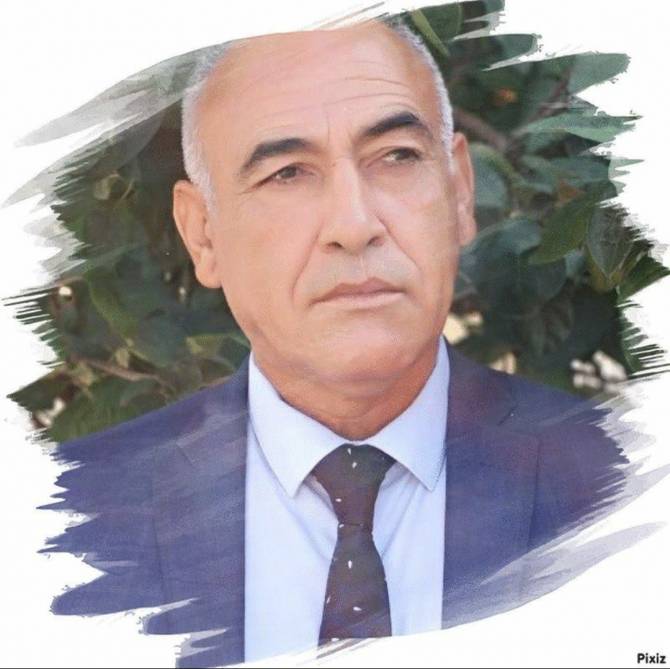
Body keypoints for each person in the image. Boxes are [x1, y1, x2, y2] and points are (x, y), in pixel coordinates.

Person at [44, 18, 627, 668]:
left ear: (460, 190)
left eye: (397, 156)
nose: (354, 224)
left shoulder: (622, 488)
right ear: (202, 233)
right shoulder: (66, 520)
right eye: (288, 173)